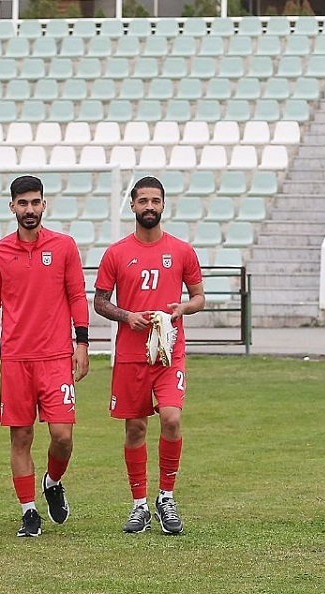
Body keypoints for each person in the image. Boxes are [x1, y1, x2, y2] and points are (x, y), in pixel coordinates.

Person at [0, 175, 91, 538]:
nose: (30, 209)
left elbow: (77, 295)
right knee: (21, 436)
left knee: (62, 435)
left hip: (56, 357)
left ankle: (52, 481)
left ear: (44, 204)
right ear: (12, 206)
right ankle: (28, 511)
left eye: (35, 202)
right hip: (16, 358)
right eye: (23, 203)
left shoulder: (64, 246)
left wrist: (82, 343)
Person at [93, 175, 205, 535]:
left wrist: (183, 308)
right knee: (136, 427)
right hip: (131, 354)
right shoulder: (116, 253)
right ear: (132, 205)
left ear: (164, 204)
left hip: (168, 354)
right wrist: (128, 316)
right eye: (143, 201)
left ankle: (166, 497)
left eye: (155, 201)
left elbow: (199, 297)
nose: (150, 207)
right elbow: (99, 302)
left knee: (171, 418)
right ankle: (139, 504)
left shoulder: (182, 251)